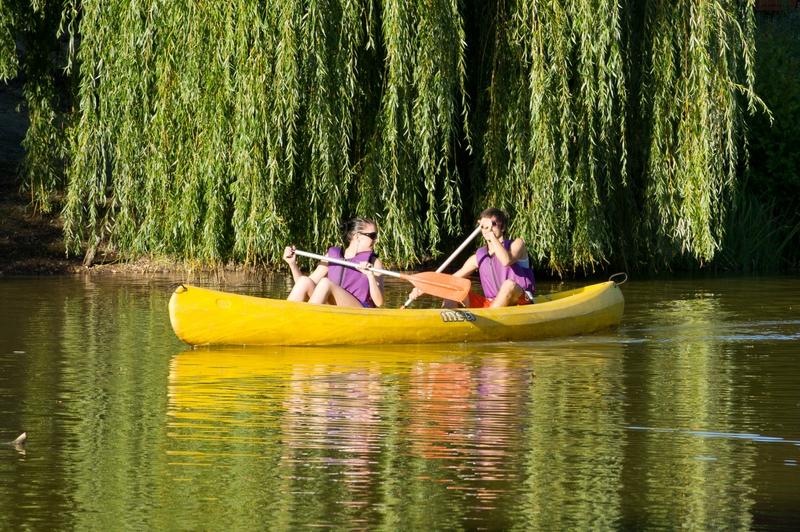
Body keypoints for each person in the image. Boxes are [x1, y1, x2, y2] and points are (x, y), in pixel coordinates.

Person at [409, 207, 535, 308]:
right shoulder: (477, 257)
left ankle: (492, 322)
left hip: (521, 300)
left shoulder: (517, 244)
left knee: (508, 285)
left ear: (503, 227)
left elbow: (506, 260)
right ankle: (446, 321)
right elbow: (452, 280)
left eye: (493, 224)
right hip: (491, 303)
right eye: (485, 225)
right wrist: (424, 288)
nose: (488, 228)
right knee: (454, 288)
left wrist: (491, 235)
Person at [283, 217, 384, 308]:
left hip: (359, 309)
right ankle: (285, 318)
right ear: (357, 236)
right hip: (334, 308)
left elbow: (379, 302)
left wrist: (370, 276)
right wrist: (292, 264)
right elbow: (303, 287)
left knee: (325, 283)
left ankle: (305, 319)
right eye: (373, 236)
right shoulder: (332, 256)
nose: (376, 240)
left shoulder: (374, 262)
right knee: (304, 281)